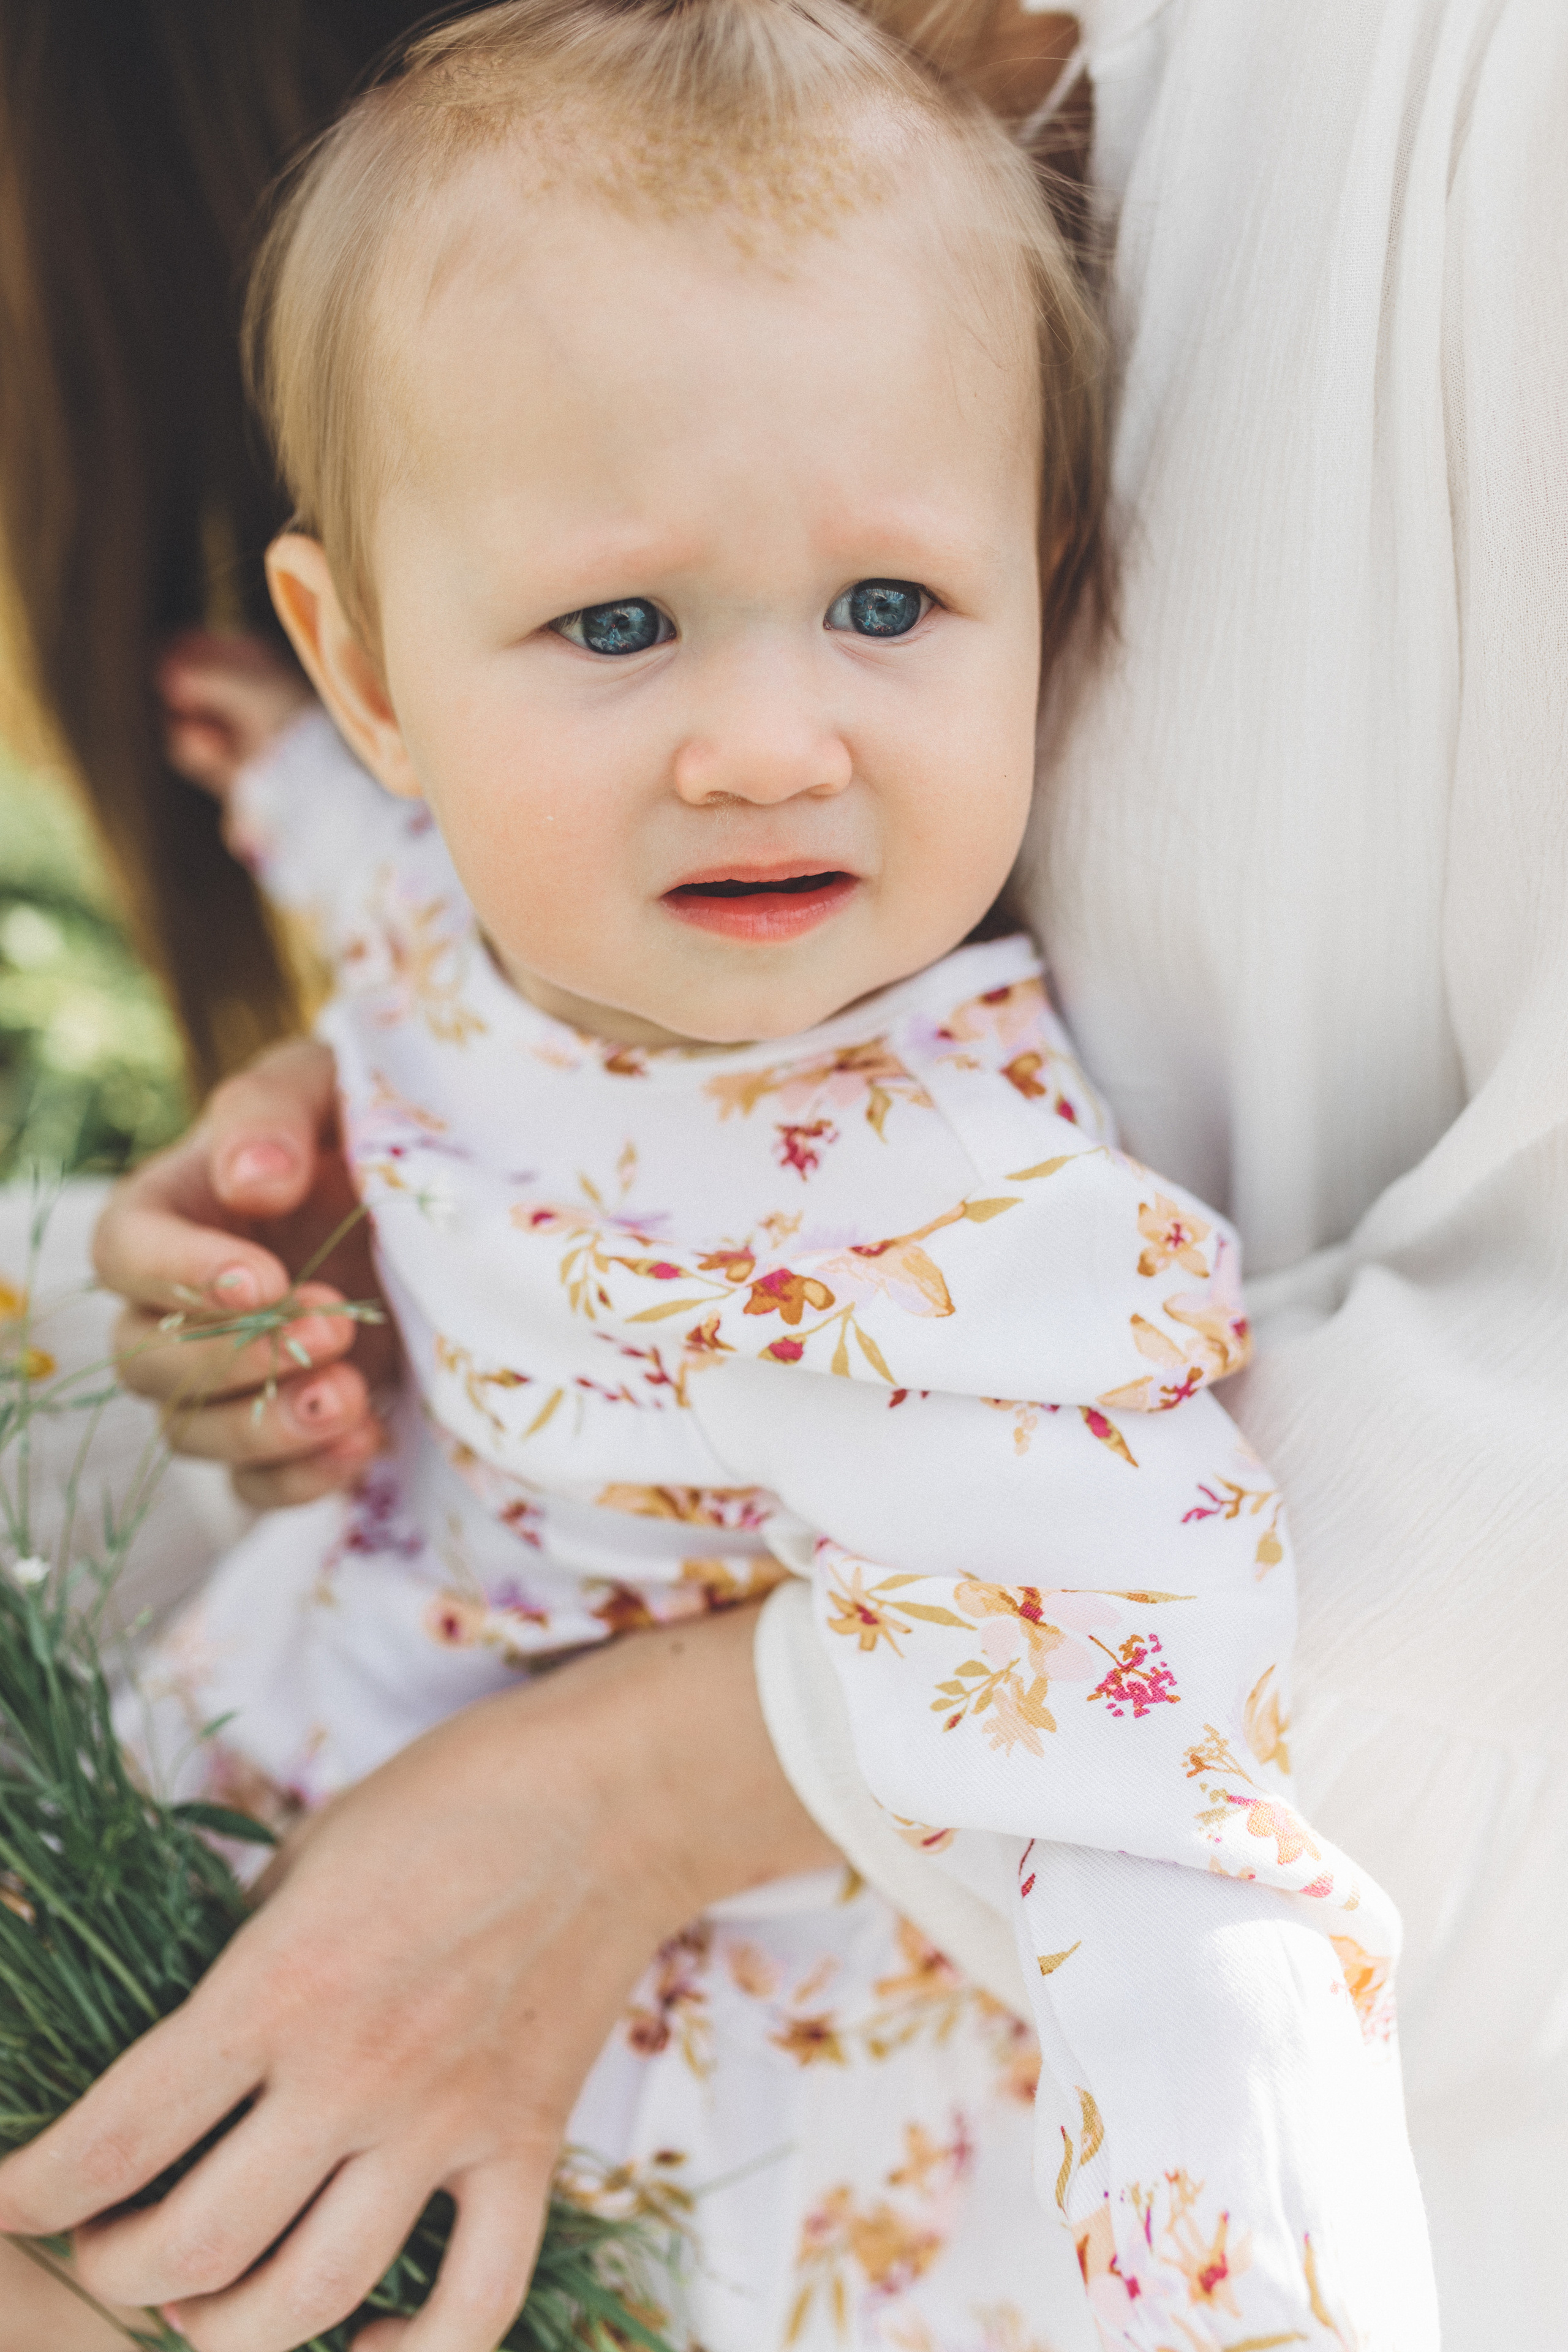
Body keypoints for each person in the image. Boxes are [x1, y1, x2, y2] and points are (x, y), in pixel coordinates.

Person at [4, 2, 1564, 2345]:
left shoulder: (978, 1234)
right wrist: (312, 1028)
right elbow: (392, 895)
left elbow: (1167, 1767)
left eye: (888, 611)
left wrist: (1250, 2276)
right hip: (311, 1743)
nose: (762, 743)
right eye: (617, 627)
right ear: (377, 672)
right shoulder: (471, 875)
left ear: (1049, 581)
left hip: (658, 2087)